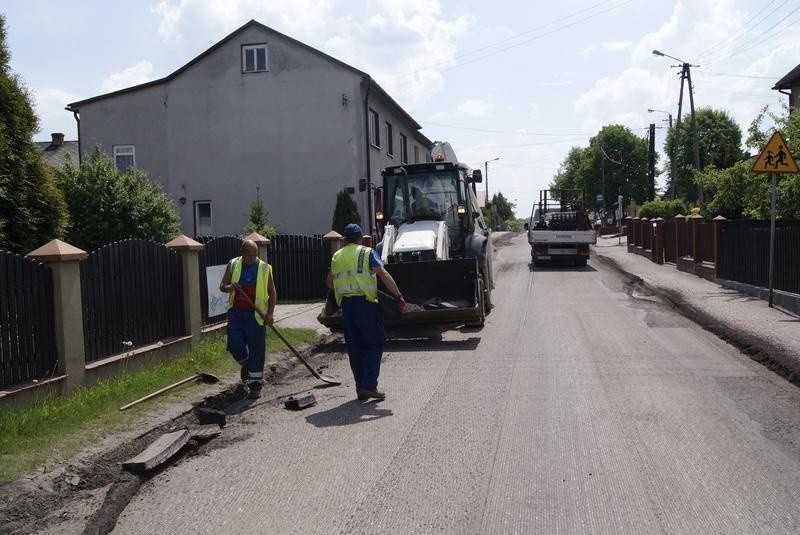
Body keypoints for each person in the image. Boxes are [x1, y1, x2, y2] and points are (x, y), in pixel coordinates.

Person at [327, 223, 404, 401]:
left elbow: (329, 283)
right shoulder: (367, 252)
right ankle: (369, 386)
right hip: (365, 305)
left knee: (355, 348)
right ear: (361, 237)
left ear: (345, 239)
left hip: (346, 307)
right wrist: (398, 295)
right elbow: (383, 274)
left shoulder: (336, 256)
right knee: (374, 343)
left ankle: (360, 387)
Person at [219, 239, 277, 399]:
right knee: (234, 344)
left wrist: (270, 313)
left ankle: (255, 385)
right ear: (242, 253)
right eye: (248, 255)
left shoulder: (265, 268)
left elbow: (272, 293)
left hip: (256, 315)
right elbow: (222, 286)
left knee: (257, 348)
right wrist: (231, 287)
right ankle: (246, 363)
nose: (251, 259)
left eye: (254, 255)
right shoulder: (233, 264)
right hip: (236, 313)